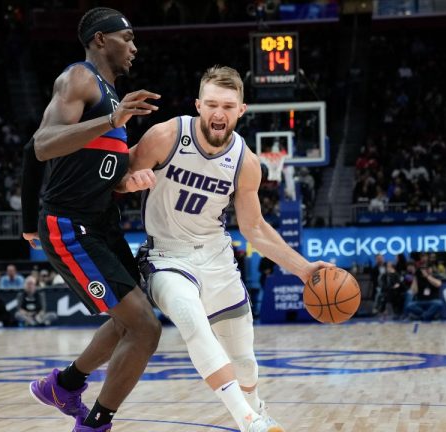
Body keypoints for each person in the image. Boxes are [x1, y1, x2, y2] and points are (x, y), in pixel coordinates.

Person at [129, 65, 333, 432]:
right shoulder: (165, 136)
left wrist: (303, 269)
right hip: (166, 256)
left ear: (241, 110)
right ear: (198, 106)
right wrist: (129, 182)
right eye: (211, 104)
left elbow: (254, 228)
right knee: (191, 319)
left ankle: (257, 409)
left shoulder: (246, 162)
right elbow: (114, 178)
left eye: (227, 106)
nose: (218, 113)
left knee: (244, 362)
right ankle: (248, 420)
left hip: (217, 258)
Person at [21, 7, 162, 432]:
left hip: (102, 222)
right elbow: (42, 145)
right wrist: (111, 120)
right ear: (101, 39)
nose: (134, 48)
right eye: (127, 38)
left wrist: (127, 182)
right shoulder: (78, 78)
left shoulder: (115, 96)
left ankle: (64, 385)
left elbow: (98, 170)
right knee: (145, 328)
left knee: (130, 321)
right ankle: (95, 424)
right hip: (69, 224)